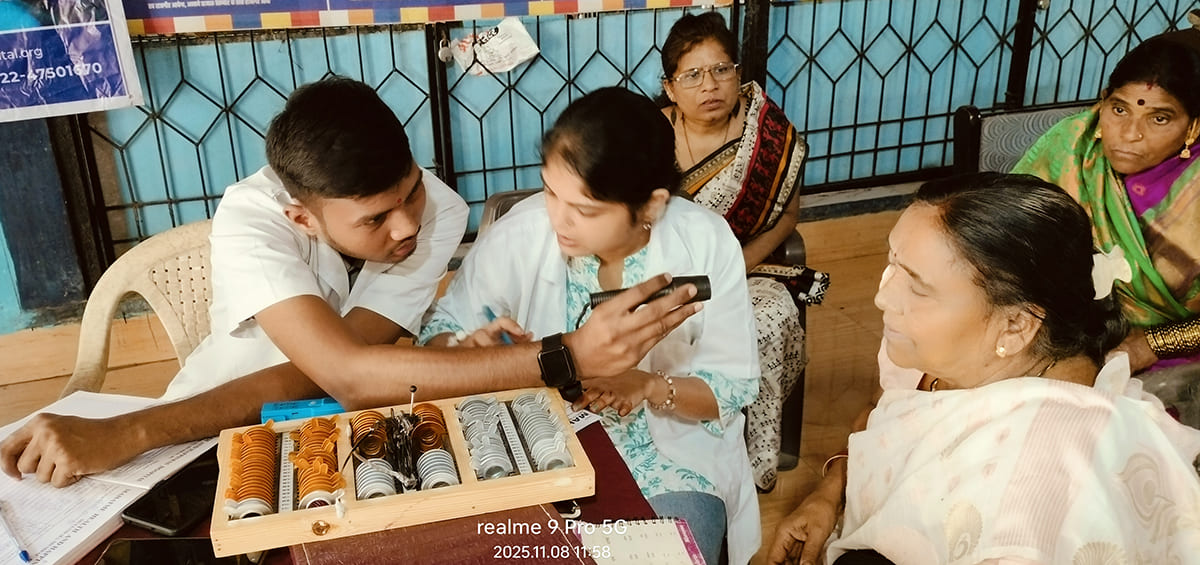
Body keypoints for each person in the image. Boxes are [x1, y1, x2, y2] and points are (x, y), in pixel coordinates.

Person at [0, 77, 703, 488]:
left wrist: (454, 355)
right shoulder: (250, 218)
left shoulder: (441, 211)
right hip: (200, 434)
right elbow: (350, 372)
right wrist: (565, 354)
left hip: (345, 435)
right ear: (302, 218)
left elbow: (349, 371)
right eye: (374, 219)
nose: (407, 226)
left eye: (410, 191)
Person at [767, 173, 1200, 565]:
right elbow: (882, 410)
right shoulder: (951, 348)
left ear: (1016, 325)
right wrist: (828, 494)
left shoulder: (1026, 510)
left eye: (917, 286)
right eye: (893, 261)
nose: (883, 296)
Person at [419, 87, 761, 565]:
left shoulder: (704, 242)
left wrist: (647, 385)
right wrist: (468, 348)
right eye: (550, 191)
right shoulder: (522, 232)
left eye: (585, 209)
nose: (559, 219)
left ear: (652, 205)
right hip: (536, 446)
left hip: (669, 463)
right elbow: (438, 336)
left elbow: (731, 387)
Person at [659, 11, 820, 491]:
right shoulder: (647, 134)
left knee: (768, 317)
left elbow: (787, 219)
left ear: (737, 73)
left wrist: (729, 269)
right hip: (662, 273)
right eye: (692, 75)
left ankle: (753, 460)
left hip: (746, 270)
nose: (709, 85)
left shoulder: (771, 137)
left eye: (720, 70)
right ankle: (677, 447)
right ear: (670, 89)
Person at [1012, 22, 1200, 423]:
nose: (1129, 134)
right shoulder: (1072, 146)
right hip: (1060, 330)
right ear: (1102, 102)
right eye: (1119, 109)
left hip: (1170, 359)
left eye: (1159, 118)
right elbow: (1010, 237)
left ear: (1194, 126)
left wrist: (1150, 344)